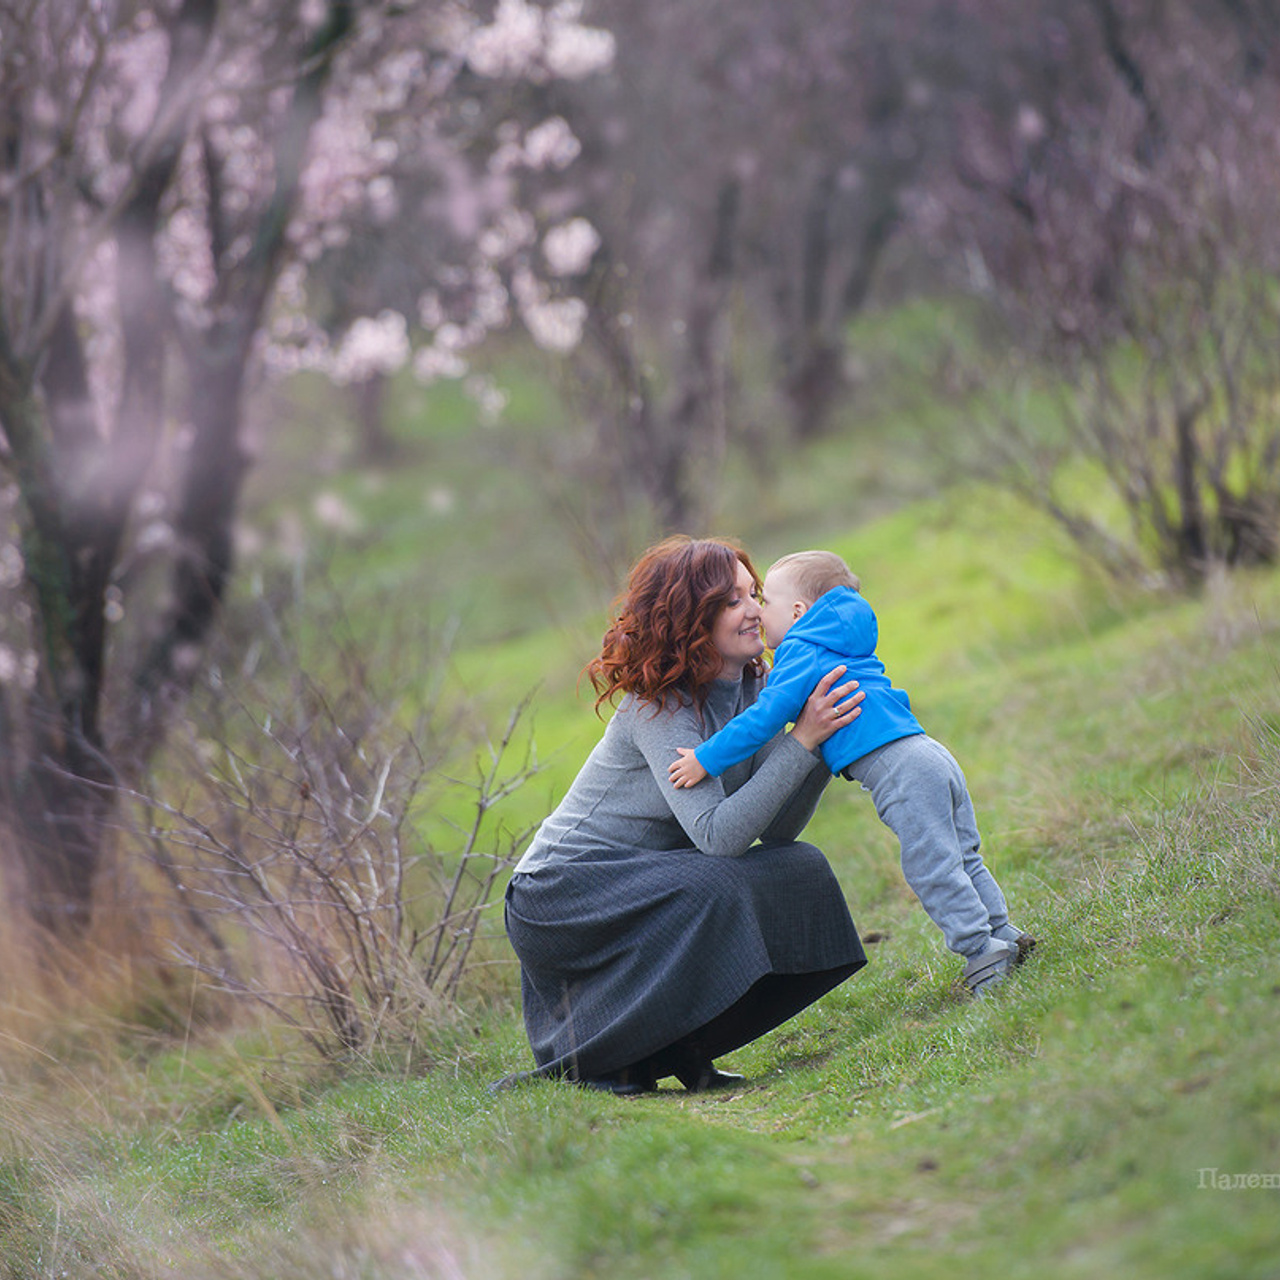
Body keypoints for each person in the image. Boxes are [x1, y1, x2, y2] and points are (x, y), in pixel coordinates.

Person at [499, 536, 869, 1096]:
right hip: (559, 893)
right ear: (693, 618)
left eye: (755, 594)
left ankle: (680, 1048)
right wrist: (804, 739)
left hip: (653, 877)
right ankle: (611, 1061)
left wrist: (814, 743)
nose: (753, 611)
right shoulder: (660, 705)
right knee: (718, 882)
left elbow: (778, 830)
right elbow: (718, 838)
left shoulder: (757, 689)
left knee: (800, 866)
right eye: (731, 602)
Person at [670, 549, 1034, 997]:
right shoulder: (841, 637)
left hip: (901, 772)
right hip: (928, 752)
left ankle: (981, 952)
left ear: (799, 612)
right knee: (962, 855)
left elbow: (763, 719)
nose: (759, 613)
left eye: (766, 601)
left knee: (932, 866)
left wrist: (705, 758)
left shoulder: (800, 650)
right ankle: (1005, 933)